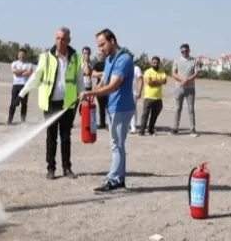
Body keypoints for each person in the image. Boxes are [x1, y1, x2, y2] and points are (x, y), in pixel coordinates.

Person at [19, 27, 84, 180]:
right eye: (57, 38)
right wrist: (22, 94)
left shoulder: (75, 58)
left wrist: (83, 95)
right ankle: (51, 168)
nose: (60, 41)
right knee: (51, 137)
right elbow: (36, 77)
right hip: (51, 104)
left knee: (66, 136)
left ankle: (67, 168)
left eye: (63, 39)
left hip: (68, 104)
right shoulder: (46, 57)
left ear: (69, 40)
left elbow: (79, 79)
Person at [79, 28, 135, 192]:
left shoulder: (123, 59)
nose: (100, 49)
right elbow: (104, 82)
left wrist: (89, 92)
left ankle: (113, 180)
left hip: (122, 108)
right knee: (118, 145)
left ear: (112, 41)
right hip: (114, 107)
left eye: (102, 44)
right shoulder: (110, 59)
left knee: (116, 145)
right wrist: (92, 94)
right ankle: (120, 179)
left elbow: (112, 86)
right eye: (99, 45)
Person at [171, 43, 198, 136]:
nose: (184, 53)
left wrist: (188, 79)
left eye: (186, 51)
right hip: (179, 88)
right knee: (178, 108)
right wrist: (182, 79)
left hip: (190, 88)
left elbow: (196, 73)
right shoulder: (177, 60)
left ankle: (193, 128)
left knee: (191, 109)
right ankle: (175, 127)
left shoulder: (194, 60)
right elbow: (174, 73)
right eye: (182, 51)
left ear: (189, 51)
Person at [139, 56, 167, 135]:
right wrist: (159, 81)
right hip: (148, 97)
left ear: (159, 63)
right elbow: (149, 82)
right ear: (151, 63)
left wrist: (154, 80)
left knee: (154, 115)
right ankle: (142, 130)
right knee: (145, 115)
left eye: (157, 62)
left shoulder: (162, 72)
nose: (155, 64)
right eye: (154, 62)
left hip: (158, 98)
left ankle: (151, 129)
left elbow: (165, 81)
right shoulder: (148, 71)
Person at [7, 49, 34, 124]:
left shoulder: (29, 64)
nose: (21, 56)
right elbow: (14, 72)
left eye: (23, 54)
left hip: (25, 86)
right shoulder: (14, 63)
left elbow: (28, 73)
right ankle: (10, 119)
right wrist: (23, 71)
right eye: (20, 54)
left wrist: (19, 71)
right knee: (13, 103)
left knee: (24, 104)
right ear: (18, 55)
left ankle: (23, 120)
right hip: (16, 85)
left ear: (26, 55)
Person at [129, 63, 143, 133]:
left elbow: (140, 80)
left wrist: (139, 91)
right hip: (123, 93)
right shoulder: (122, 67)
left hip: (133, 93)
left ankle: (133, 126)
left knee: (133, 110)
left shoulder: (136, 68)